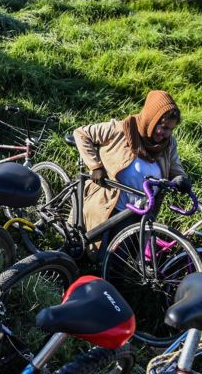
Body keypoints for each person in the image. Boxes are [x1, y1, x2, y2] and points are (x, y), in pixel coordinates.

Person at [72, 90, 192, 257]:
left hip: (137, 212)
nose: (165, 134)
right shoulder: (121, 129)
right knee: (90, 249)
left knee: (117, 260)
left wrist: (181, 179)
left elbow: (175, 166)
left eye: (170, 129)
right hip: (109, 204)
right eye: (163, 127)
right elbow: (81, 133)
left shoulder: (168, 144)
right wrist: (95, 166)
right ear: (151, 119)